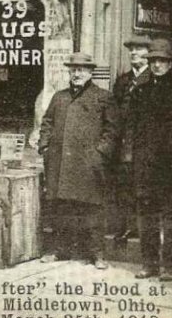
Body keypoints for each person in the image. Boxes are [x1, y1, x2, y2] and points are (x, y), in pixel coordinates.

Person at [38, 53, 119, 270]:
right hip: (60, 163)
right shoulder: (60, 97)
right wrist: (44, 146)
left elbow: (112, 131)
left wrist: (99, 154)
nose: (77, 74)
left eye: (82, 70)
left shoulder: (103, 96)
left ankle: (97, 254)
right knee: (61, 208)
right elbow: (46, 123)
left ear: (90, 72)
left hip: (88, 163)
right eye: (73, 70)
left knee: (91, 209)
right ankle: (58, 250)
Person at [130, 38, 172, 281]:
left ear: (170, 63)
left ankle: (170, 267)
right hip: (146, 163)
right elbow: (134, 126)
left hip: (171, 165)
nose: (157, 65)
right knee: (147, 216)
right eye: (153, 61)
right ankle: (149, 264)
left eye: (162, 61)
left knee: (171, 217)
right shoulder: (142, 89)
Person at [111, 35, 151, 242]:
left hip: (144, 142)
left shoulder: (154, 78)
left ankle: (143, 228)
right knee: (124, 186)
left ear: (149, 53)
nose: (133, 52)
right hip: (122, 143)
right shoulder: (123, 80)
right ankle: (126, 227)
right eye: (131, 49)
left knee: (143, 186)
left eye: (139, 48)